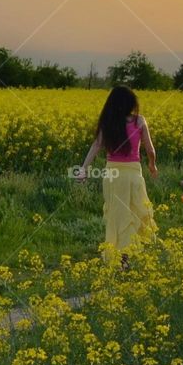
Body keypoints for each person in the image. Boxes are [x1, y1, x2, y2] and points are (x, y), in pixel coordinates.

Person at [78, 85, 157, 265]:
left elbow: (96, 146)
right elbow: (150, 150)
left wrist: (84, 168)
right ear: (131, 103)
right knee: (135, 214)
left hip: (113, 174)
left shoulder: (108, 123)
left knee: (117, 216)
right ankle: (127, 256)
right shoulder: (139, 121)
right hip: (134, 174)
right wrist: (152, 165)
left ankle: (121, 258)